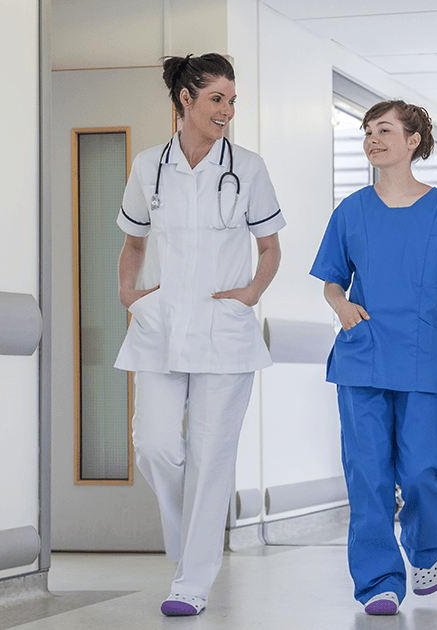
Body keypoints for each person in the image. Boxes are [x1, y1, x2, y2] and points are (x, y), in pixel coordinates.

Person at [310, 100, 437, 616]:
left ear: (412, 140)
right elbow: (330, 277)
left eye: (384, 130)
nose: (372, 139)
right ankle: (378, 581)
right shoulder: (350, 210)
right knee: (367, 474)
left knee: (420, 470)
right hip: (362, 357)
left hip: (420, 358)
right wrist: (341, 303)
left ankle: (424, 549)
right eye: (367, 131)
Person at [113, 53, 285, 617]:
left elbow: (269, 246)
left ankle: (191, 581)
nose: (227, 111)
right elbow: (134, 241)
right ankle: (192, 541)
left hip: (224, 330)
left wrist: (253, 294)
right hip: (161, 325)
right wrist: (126, 293)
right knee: (156, 446)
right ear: (185, 99)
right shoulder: (148, 165)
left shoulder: (249, 167)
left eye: (232, 101)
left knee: (212, 457)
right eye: (217, 99)